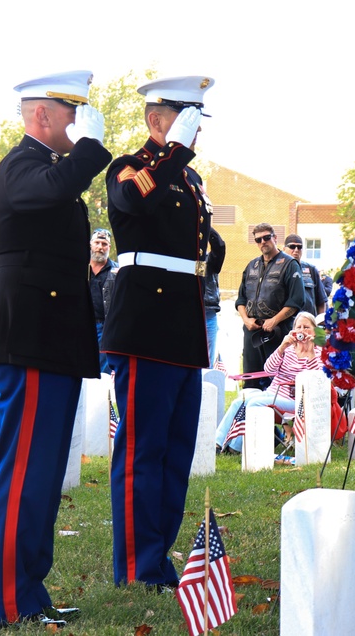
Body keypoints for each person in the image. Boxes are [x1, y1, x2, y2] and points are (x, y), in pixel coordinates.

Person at [0, 70, 112, 627]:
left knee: (45, 473)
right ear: (43, 117)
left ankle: (29, 592)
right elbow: (57, 190)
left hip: (50, 342)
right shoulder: (19, 166)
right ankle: (5, 602)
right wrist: (93, 149)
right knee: (26, 470)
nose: (78, 125)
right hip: (29, 342)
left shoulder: (46, 168)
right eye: (71, 114)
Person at [102, 74, 213, 590]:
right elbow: (134, 204)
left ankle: (159, 557)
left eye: (197, 122)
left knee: (175, 450)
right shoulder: (131, 166)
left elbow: (201, 241)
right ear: (156, 120)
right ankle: (136, 566)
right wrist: (174, 154)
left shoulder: (189, 180)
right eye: (187, 120)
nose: (196, 134)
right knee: (142, 450)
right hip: (145, 322)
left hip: (183, 326)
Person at [215, 312, 323, 453]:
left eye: (306, 327)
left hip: (295, 400)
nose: (302, 331)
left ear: (314, 331)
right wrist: (282, 347)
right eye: (299, 327)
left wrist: (310, 354)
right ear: (293, 330)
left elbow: (318, 381)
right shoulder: (289, 349)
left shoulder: (319, 352)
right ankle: (217, 443)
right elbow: (268, 369)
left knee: (253, 403)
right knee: (239, 401)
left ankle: (235, 447)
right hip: (273, 393)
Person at [236, 223, 304, 389]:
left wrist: (274, 320)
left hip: (278, 331)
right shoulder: (252, 266)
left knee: (277, 382)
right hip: (252, 331)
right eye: (258, 239)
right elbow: (240, 300)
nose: (263, 242)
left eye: (267, 237)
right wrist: (246, 320)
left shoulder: (290, 264)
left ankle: (277, 414)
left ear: (275, 238)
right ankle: (250, 414)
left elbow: (296, 301)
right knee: (251, 379)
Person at [88, 228, 118, 375]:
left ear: (109, 247)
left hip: (104, 327)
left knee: (102, 373)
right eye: (97, 243)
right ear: (90, 244)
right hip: (80, 324)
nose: (100, 247)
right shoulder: (80, 267)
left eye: (104, 244)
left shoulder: (117, 271)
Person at [283, 234, 327, 315]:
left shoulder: (311, 269)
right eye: (292, 246)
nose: (296, 250)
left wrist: (320, 324)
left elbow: (321, 300)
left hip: (308, 321)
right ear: (284, 249)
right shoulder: (278, 269)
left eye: (299, 247)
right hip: (286, 323)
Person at [203, 228, 226, 368]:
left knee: (207, 361)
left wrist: (204, 223)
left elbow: (219, 247)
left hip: (208, 314)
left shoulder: (210, 260)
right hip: (186, 313)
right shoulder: (180, 259)